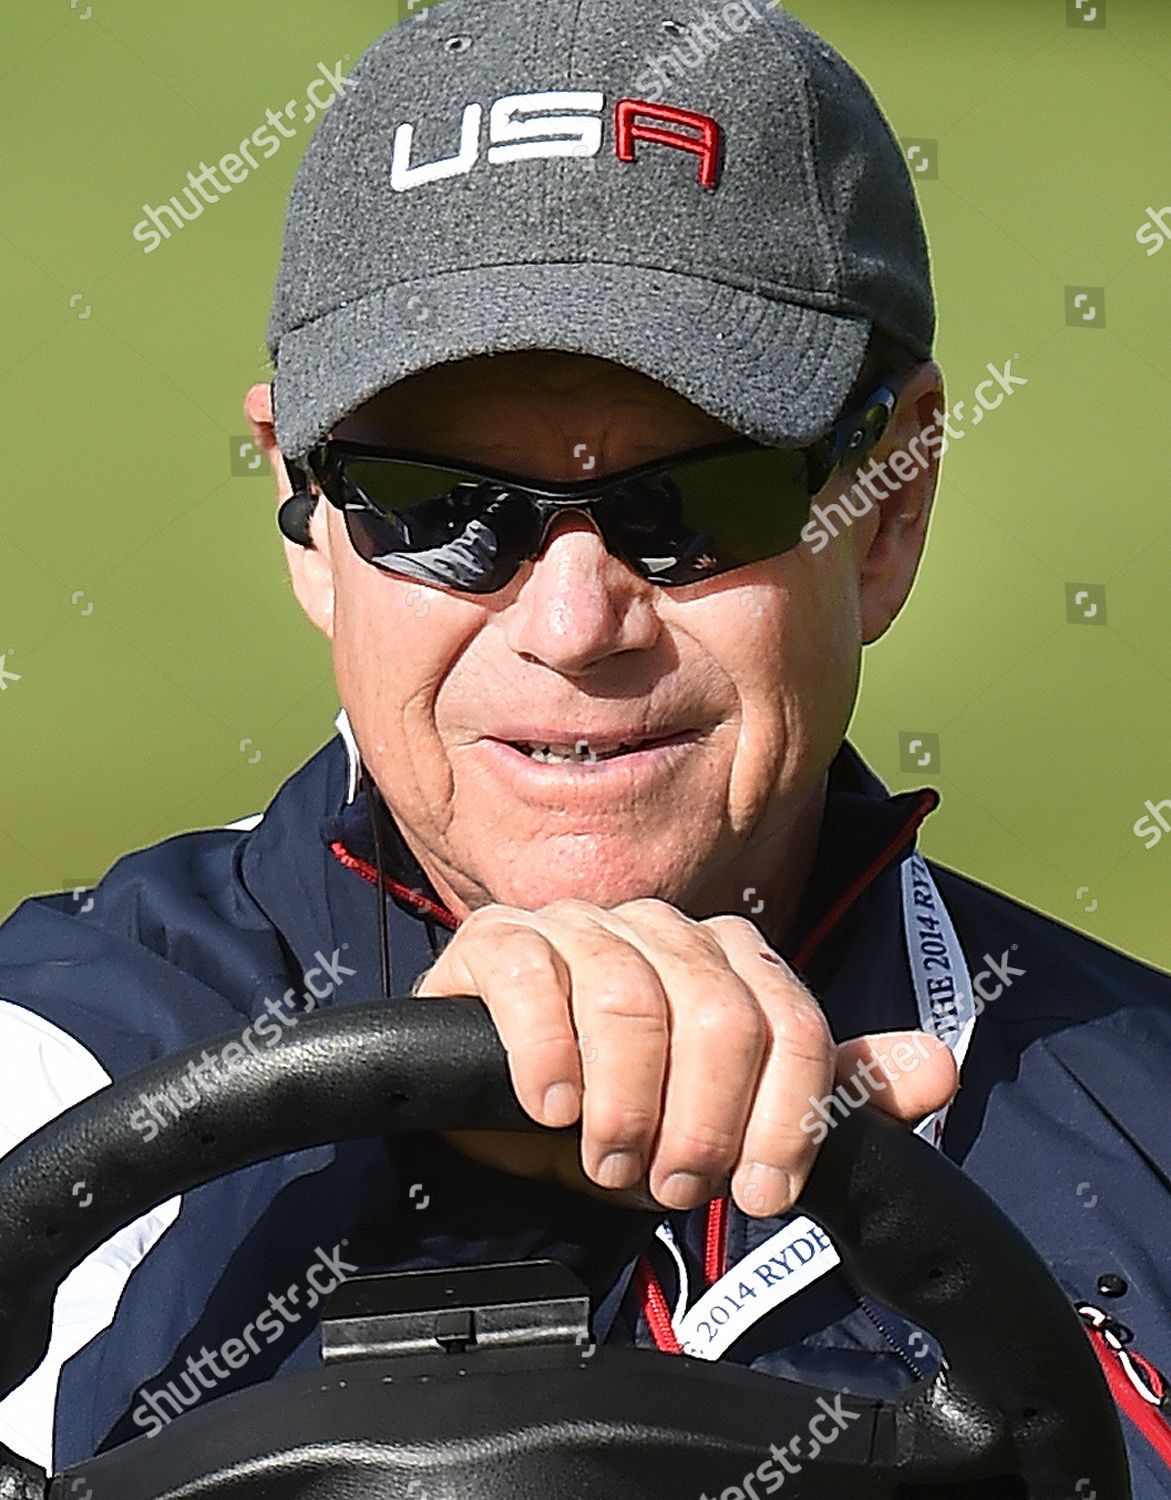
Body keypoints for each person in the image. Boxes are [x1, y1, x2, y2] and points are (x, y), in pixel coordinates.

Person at [0, 0, 1168, 1491]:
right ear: (305, 519)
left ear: (887, 512)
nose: (571, 622)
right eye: (434, 506)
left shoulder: (1147, 1123)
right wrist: (440, 1158)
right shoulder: (34, 1071)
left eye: (691, 508)